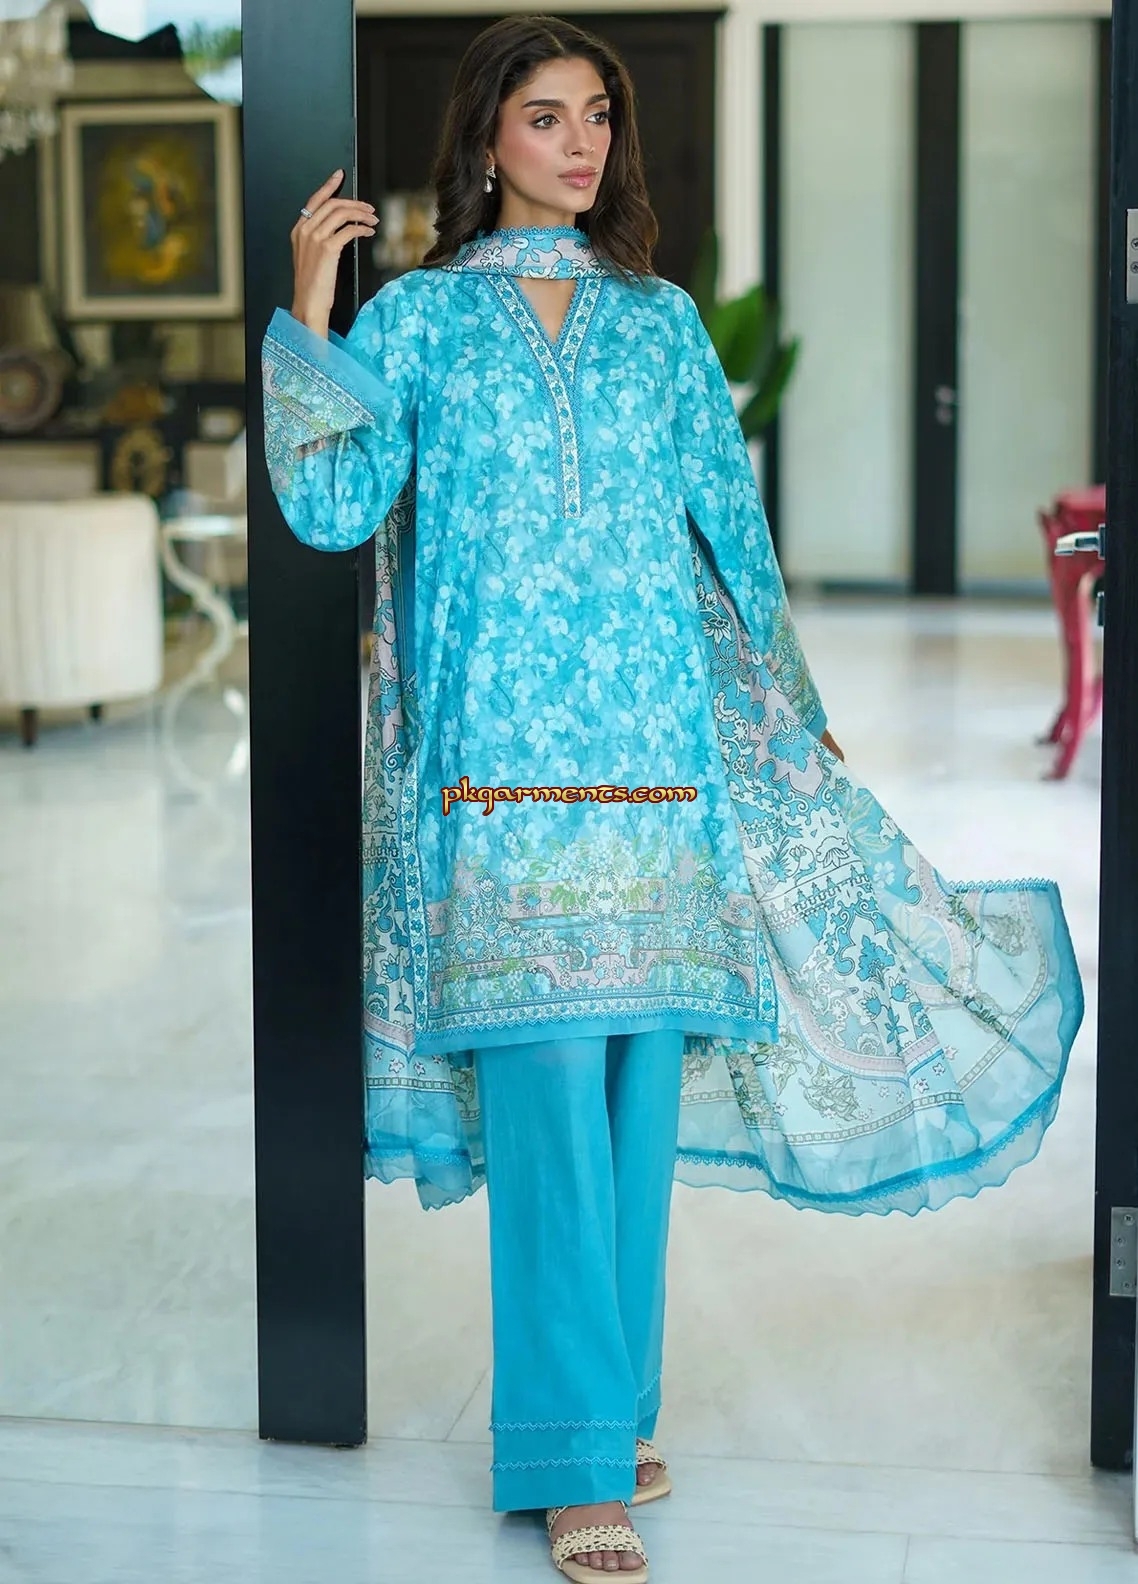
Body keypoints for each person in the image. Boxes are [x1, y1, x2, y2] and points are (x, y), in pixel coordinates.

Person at [261, 16, 1084, 1580]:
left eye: (597, 117)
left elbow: (730, 529)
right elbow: (332, 504)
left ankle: (608, 1417)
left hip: (663, 760)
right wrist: (313, 309)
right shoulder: (418, 321)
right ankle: (573, 1464)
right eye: (544, 116)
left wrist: (796, 719)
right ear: (484, 138)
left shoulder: (661, 323)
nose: (579, 144)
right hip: (499, 771)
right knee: (548, 1104)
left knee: (632, 1105)